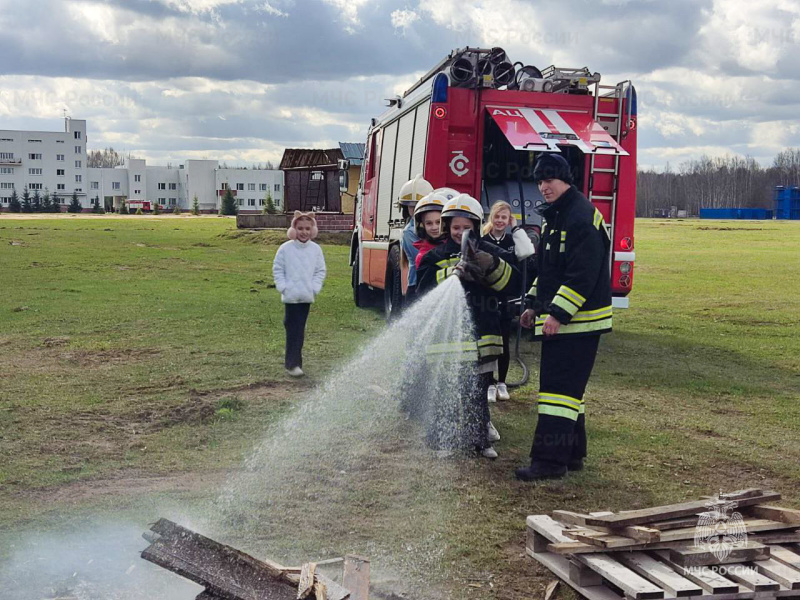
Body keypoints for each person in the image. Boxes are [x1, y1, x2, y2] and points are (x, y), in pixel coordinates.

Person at [515, 153, 612, 481]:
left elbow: (581, 275)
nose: (543, 187)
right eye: (540, 181)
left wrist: (557, 313)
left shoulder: (580, 216)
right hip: (570, 321)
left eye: (549, 180)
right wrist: (532, 304)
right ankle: (571, 454)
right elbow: (550, 270)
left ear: (565, 180)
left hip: (580, 323)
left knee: (556, 392)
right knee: (569, 393)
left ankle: (549, 462)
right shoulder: (556, 216)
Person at [416, 194, 521, 458]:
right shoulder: (435, 256)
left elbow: (513, 284)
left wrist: (490, 267)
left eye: (465, 228)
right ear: (446, 227)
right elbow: (422, 291)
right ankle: (442, 442)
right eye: (455, 227)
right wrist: (449, 274)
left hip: (482, 337)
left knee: (477, 392)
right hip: (447, 340)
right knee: (445, 391)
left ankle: (481, 442)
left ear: (475, 226)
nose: (460, 232)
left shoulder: (490, 252)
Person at [480, 201, 535, 402]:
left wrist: (516, 227)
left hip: (506, 299)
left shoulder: (513, 241)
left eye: (505, 217)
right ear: (491, 218)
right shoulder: (482, 240)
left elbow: (528, 253)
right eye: (497, 217)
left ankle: (502, 382)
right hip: (486, 300)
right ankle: (489, 383)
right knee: (488, 343)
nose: (500, 221)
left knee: (503, 342)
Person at [272, 211, 327, 377]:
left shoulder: (315, 250)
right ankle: (292, 364)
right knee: (291, 327)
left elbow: (320, 271)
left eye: (307, 228)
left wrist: (314, 288)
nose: (304, 232)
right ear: (294, 229)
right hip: (291, 296)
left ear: (313, 230)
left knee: (299, 330)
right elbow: (278, 269)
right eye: (300, 228)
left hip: (305, 296)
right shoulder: (285, 249)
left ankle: (296, 363)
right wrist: (283, 287)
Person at [398, 175, 435, 296]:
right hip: (417, 285)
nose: (415, 210)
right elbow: (422, 259)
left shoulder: (434, 227)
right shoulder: (408, 232)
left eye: (419, 205)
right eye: (411, 206)